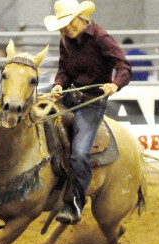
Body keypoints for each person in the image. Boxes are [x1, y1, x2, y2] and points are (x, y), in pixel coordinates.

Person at [44, 0, 131, 224]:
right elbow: (63, 68)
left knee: (80, 152)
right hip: (69, 96)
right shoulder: (66, 39)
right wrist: (58, 84)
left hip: (92, 102)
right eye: (62, 25)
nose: (66, 28)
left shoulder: (101, 38)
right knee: (35, 118)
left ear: (81, 17)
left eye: (69, 22)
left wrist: (115, 84)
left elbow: (123, 66)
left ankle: (75, 202)